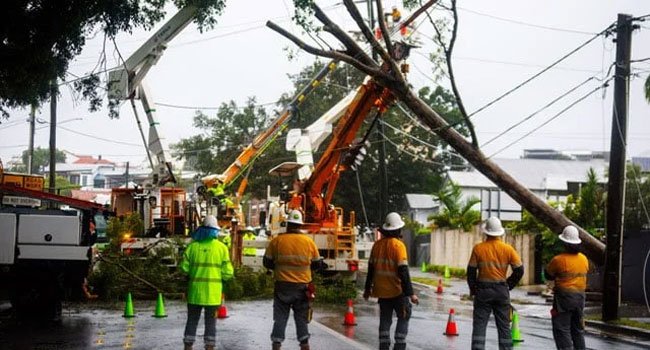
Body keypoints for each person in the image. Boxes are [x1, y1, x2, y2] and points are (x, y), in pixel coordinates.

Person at [263, 209, 324, 350]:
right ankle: (304, 345)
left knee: (280, 318)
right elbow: (316, 264)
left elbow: (267, 262)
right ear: (300, 225)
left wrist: (278, 267)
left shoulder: (277, 241)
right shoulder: (309, 243)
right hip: (302, 288)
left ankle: (276, 344)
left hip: (282, 287)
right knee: (301, 319)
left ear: (288, 224)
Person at [363, 212, 419, 350]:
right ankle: (399, 344)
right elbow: (403, 272)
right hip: (397, 291)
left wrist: (367, 289)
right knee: (404, 315)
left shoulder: (376, 246)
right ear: (398, 229)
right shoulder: (398, 246)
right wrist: (411, 294)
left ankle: (384, 345)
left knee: (385, 319)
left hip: (381, 292)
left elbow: (370, 270)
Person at [467, 216, 524, 350]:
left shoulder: (478, 248)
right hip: (501, 290)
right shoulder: (508, 249)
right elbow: (519, 270)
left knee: (480, 325)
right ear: (500, 232)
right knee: (504, 326)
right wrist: (508, 285)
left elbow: (470, 271)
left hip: (483, 291)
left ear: (486, 232)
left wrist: (473, 289)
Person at [180, 215, 234, 350]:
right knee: (211, 323)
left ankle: (188, 345)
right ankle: (209, 346)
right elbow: (228, 273)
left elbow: (184, 268)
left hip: (195, 293)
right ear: (215, 231)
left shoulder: (192, 247)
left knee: (192, 320)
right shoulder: (221, 248)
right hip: (213, 294)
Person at [546, 225, 589, 350]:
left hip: (564, 299)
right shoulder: (584, 259)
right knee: (577, 330)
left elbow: (548, 274)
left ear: (564, 242)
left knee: (562, 330)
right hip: (580, 298)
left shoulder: (558, 260)